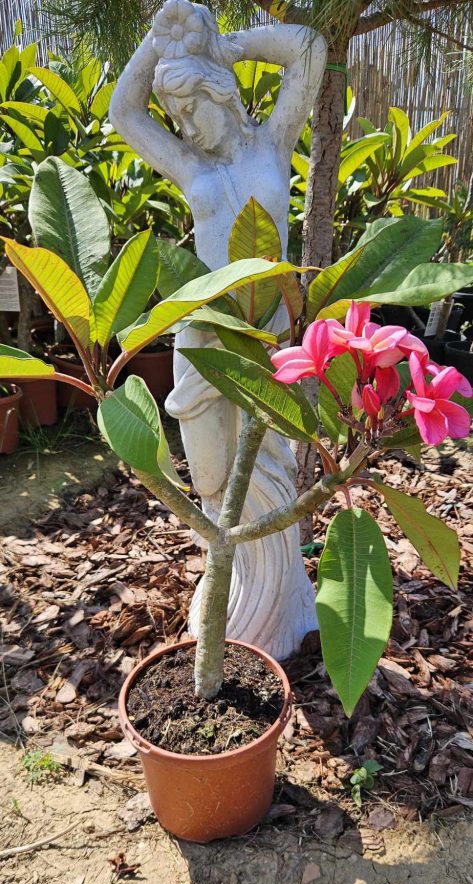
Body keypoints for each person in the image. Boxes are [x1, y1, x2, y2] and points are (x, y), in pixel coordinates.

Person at [110, 1, 327, 658]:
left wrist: (222, 45)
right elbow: (124, 111)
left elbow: (308, 47)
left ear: (220, 94)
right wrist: (161, 41)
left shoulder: (274, 143)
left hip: (264, 336)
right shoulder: (192, 168)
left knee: (267, 467)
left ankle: (277, 604)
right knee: (208, 477)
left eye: (191, 109)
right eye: (176, 118)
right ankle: (228, 581)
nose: (186, 127)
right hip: (203, 338)